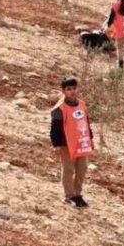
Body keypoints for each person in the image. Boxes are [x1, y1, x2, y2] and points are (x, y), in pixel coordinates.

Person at [49, 76, 93, 208]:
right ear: (63, 91)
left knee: (82, 168)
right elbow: (55, 128)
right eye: (69, 89)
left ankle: (78, 194)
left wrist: (90, 138)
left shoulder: (82, 104)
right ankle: (69, 195)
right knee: (68, 169)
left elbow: (86, 122)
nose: (72, 91)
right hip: (66, 143)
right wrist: (57, 143)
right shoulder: (60, 108)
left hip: (81, 142)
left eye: (74, 88)